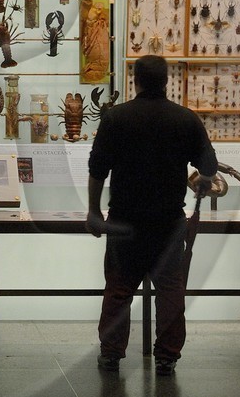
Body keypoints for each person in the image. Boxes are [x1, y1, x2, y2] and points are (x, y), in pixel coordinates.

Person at [85, 54, 217, 377]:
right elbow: (209, 167)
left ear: (135, 80)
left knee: (118, 289)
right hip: (169, 222)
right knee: (170, 289)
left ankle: (111, 353)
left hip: (124, 220)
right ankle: (167, 356)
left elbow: (97, 169)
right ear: (167, 80)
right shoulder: (185, 119)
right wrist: (201, 180)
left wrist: (93, 211)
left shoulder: (116, 118)